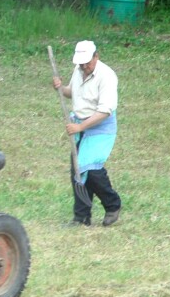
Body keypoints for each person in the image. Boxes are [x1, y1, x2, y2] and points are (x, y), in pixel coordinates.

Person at [52, 41, 122, 227]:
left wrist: (81, 127)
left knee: (90, 169)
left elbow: (105, 111)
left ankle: (113, 205)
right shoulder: (78, 70)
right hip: (80, 125)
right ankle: (82, 217)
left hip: (100, 127)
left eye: (87, 63)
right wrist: (60, 87)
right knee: (77, 170)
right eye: (81, 63)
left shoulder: (107, 76)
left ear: (96, 56)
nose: (84, 66)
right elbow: (72, 93)